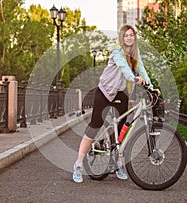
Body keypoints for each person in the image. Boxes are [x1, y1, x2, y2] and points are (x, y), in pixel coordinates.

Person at [73, 24, 160, 183]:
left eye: (131, 35)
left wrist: (152, 88)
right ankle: (78, 165)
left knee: (121, 131)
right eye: (126, 35)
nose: (129, 38)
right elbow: (125, 69)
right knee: (94, 126)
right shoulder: (117, 52)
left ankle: (118, 163)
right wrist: (133, 78)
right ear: (122, 37)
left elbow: (142, 70)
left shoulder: (135, 53)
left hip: (120, 93)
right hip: (105, 92)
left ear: (134, 37)